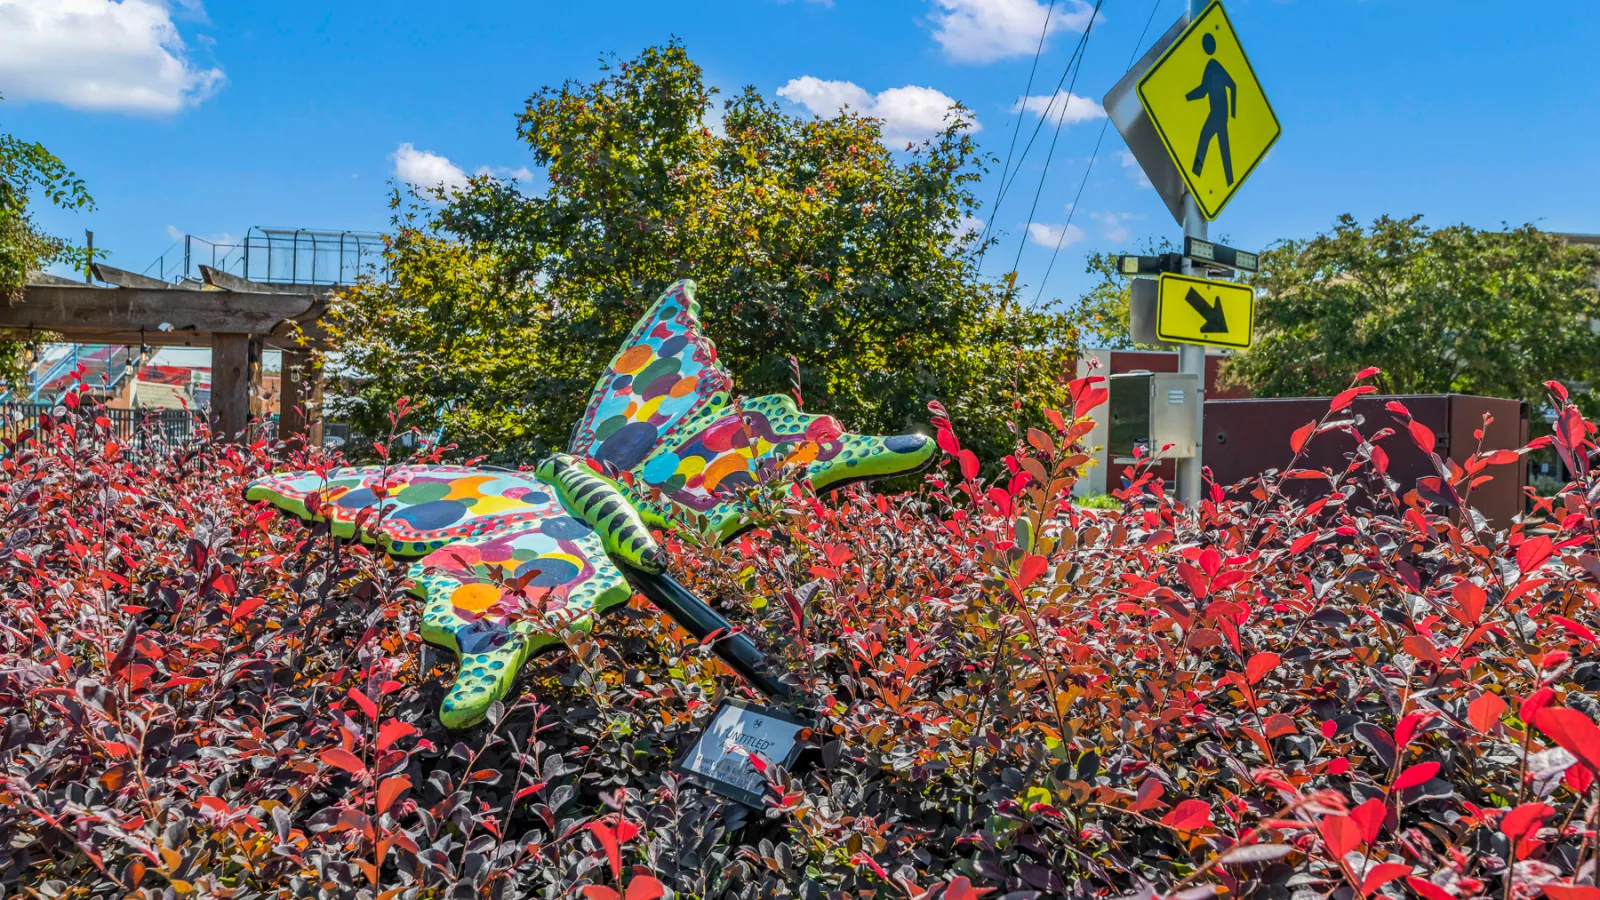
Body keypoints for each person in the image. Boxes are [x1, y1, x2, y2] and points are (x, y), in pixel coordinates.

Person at [1186, 33, 1236, 186]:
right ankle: (1229, 180)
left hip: (1218, 113)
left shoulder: (1213, 66)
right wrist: (1187, 97)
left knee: (1205, 138)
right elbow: (1203, 92)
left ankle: (1196, 174)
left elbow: (1233, 85)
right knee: (1223, 148)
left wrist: (1234, 112)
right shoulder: (1212, 66)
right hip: (1220, 114)